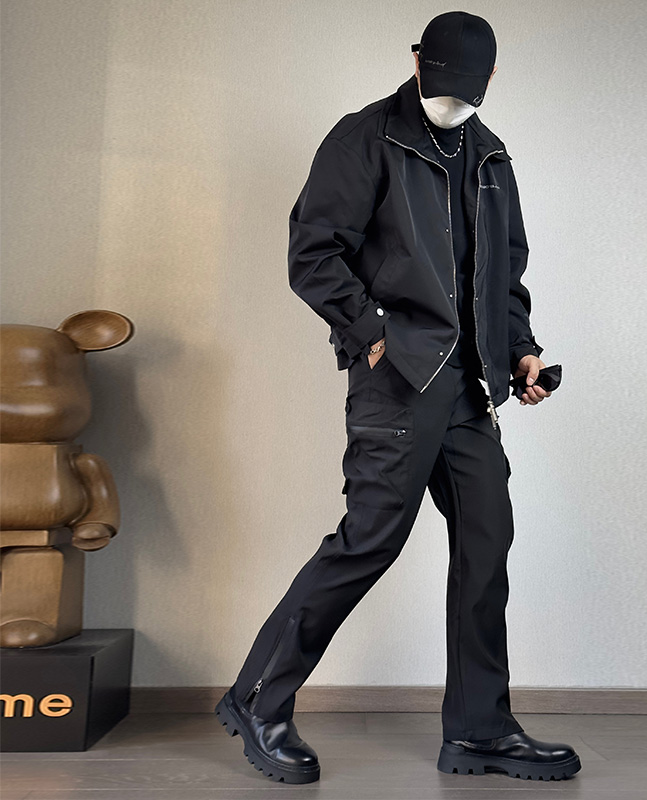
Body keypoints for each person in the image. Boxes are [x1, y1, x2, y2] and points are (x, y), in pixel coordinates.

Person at [215, 10, 580, 785]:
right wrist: (371, 333)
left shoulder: (490, 156)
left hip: (470, 389)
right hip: (398, 382)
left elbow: (501, 275)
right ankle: (257, 698)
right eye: (440, 82)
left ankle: (479, 730)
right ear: (417, 61)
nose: (452, 100)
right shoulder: (365, 138)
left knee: (486, 542)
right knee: (370, 540)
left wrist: (520, 349)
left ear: (490, 79)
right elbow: (314, 250)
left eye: (467, 89)